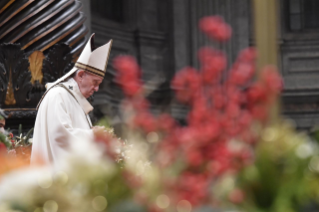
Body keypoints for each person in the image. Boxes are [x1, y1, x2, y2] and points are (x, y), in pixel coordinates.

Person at [30, 34, 112, 166]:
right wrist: (93, 135)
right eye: (95, 82)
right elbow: (60, 136)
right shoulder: (58, 95)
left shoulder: (73, 99)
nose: (97, 89)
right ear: (80, 75)